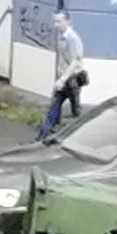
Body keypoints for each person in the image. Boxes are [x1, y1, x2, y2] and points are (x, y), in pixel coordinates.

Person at [36, 10, 86, 140]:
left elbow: (75, 62)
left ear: (67, 21)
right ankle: (42, 136)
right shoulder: (62, 36)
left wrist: (62, 80)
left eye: (58, 21)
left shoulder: (72, 38)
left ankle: (78, 136)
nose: (56, 25)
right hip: (65, 80)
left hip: (72, 80)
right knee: (54, 107)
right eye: (55, 21)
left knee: (75, 111)